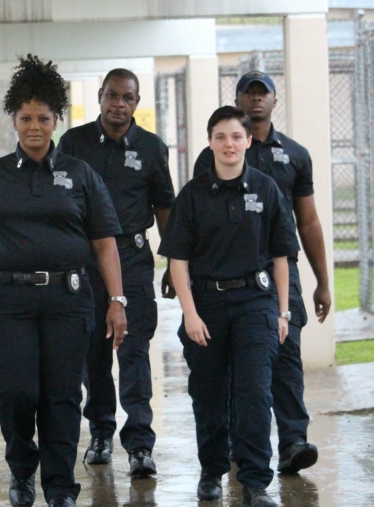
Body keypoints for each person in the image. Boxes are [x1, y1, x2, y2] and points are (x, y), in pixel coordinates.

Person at [0, 54, 127, 507]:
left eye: (44, 118)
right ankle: (21, 468)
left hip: (68, 299)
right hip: (8, 301)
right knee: (16, 390)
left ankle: (59, 487)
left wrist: (117, 300)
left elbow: (105, 243)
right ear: (14, 120)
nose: (34, 127)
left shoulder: (79, 174)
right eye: (26, 118)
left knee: (62, 395)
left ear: (56, 121)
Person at [159, 106, 299, 507]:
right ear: (210, 142)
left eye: (236, 136)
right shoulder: (192, 195)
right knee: (208, 392)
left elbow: (281, 256)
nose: (228, 144)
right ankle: (212, 469)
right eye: (220, 137)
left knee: (254, 391)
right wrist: (189, 313)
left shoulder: (266, 189)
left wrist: (283, 312)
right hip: (206, 305)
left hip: (256, 303)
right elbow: (178, 261)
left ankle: (255, 482)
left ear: (248, 141)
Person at [193, 71, 331, 474]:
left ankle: (293, 440)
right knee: (239, 363)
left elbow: (307, 221)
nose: (255, 101)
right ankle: (242, 444)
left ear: (274, 100)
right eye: (247, 94)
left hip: (280, 272)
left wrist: (322, 280)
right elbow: (200, 218)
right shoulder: (219, 150)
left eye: (262, 94)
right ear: (237, 99)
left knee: (286, 354)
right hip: (232, 277)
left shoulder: (295, 154)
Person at [57, 68, 175, 475]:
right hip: (86, 263)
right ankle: (102, 433)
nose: (118, 104)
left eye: (127, 97)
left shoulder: (152, 148)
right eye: (111, 96)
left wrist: (174, 264)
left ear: (136, 103)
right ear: (100, 98)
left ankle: (141, 442)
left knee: (134, 350)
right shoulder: (73, 144)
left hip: (133, 260)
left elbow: (165, 208)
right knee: (92, 352)